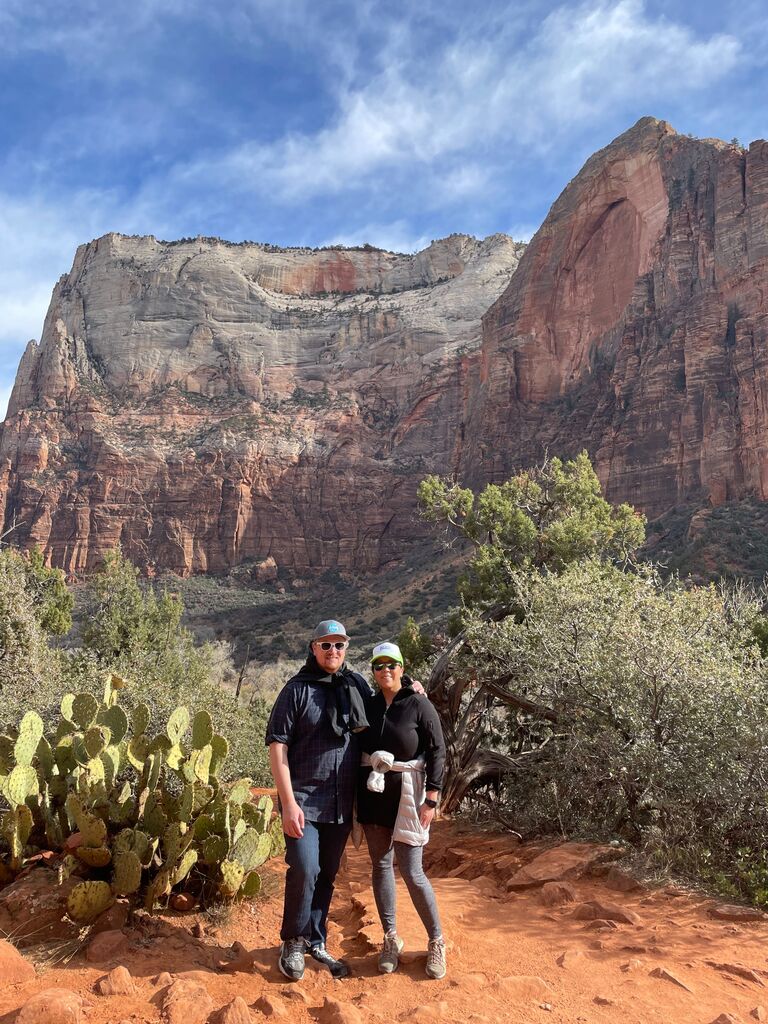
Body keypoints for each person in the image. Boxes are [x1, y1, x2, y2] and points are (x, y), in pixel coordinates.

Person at [265, 619, 372, 981]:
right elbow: (277, 748)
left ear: (346, 648)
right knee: (305, 869)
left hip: (341, 804)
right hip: (303, 802)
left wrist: (411, 691)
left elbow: (385, 712)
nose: (333, 652)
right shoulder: (296, 690)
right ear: (313, 648)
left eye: (339, 645)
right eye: (326, 645)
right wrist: (288, 802)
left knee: (326, 874)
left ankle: (316, 937)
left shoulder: (355, 685)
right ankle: (293, 940)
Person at [357, 641, 447, 980]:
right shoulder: (368, 704)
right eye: (379, 666)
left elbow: (437, 751)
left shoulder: (419, 704)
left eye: (391, 665)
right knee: (381, 864)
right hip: (374, 794)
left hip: (410, 795)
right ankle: (390, 939)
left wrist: (432, 798)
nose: (385, 671)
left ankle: (437, 940)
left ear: (402, 666)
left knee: (412, 871)